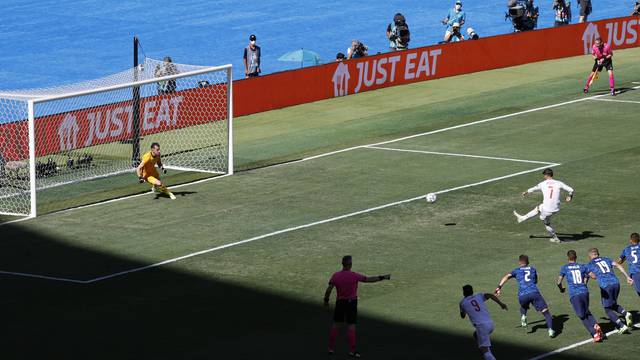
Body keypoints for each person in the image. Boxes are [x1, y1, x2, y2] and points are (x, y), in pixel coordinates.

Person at [324, 255, 390, 358]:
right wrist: (383, 277)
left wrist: (326, 301)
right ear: (350, 264)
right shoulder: (354, 276)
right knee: (351, 326)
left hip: (340, 303)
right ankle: (352, 350)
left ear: (342, 263)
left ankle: (330, 348)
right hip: (351, 303)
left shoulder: (336, 275)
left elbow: (329, 289)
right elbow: (369, 279)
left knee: (336, 325)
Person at [495, 254, 556, 337]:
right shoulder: (533, 269)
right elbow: (535, 281)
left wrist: (499, 287)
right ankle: (550, 330)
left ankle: (523, 316)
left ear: (519, 262)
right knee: (546, 313)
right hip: (534, 293)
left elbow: (506, 277)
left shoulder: (516, 270)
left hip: (522, 295)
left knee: (524, 306)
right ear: (528, 262)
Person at [513, 168, 574, 243]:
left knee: (547, 224)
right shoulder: (558, 183)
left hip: (547, 209)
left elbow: (534, 189)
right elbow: (571, 189)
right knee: (539, 208)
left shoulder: (543, 184)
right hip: (555, 208)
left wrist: (526, 192)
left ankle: (556, 238)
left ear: (546, 175)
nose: (543, 177)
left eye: (544, 175)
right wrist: (570, 196)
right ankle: (523, 218)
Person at [557, 250, 603, 342]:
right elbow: (593, 276)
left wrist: (561, 288)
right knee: (586, 311)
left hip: (575, 294)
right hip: (584, 292)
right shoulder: (583, 266)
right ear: (576, 257)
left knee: (581, 315)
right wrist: (586, 277)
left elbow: (558, 282)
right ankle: (595, 324)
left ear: (568, 258)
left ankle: (595, 334)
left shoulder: (565, 268)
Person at [586, 247, 634, 333]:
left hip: (606, 286)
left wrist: (584, 286)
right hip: (616, 283)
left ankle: (622, 326)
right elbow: (618, 265)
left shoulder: (590, 264)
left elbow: (592, 277)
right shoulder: (606, 259)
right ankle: (626, 314)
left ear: (591, 255)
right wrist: (627, 277)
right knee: (613, 304)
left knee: (607, 309)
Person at [460, 284, 508, 360]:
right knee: (476, 335)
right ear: (472, 291)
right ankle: (485, 349)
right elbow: (490, 295)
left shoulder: (462, 302)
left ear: (464, 293)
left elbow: (462, 316)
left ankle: (487, 353)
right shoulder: (479, 296)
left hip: (481, 327)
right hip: (490, 324)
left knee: (485, 351)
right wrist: (501, 304)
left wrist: (463, 310)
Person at [617, 232, 640, 297]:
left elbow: (620, 261)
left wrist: (617, 264)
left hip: (635, 273)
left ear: (630, 240)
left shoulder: (627, 249)